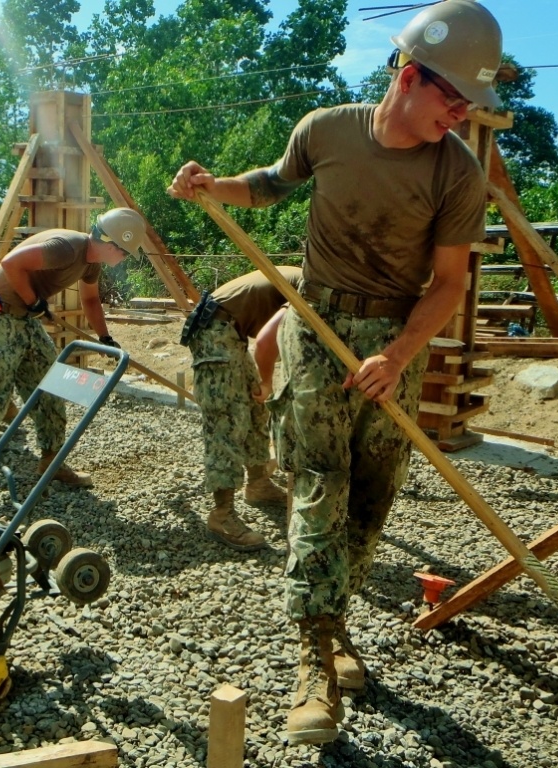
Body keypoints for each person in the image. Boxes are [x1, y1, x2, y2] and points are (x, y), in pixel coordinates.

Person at [167, 0, 502, 746]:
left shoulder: (458, 170)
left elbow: (447, 285)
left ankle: (338, 622)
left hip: (393, 342)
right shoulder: (326, 130)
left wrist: (399, 355)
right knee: (318, 487)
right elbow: (268, 184)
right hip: (316, 332)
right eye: (452, 98)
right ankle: (313, 661)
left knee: (370, 503)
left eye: (469, 103)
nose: (461, 113)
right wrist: (211, 185)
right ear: (410, 76)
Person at [0, 208, 140, 497]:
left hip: (24, 318)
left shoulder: (91, 262)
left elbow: (91, 300)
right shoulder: (67, 248)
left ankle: (51, 460)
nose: (125, 259)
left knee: (51, 386)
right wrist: (34, 301)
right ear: (112, 245)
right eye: (126, 253)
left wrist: (104, 337)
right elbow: (10, 263)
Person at [180, 266, 302, 552]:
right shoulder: (312, 286)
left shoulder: (308, 277)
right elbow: (268, 339)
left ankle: (258, 484)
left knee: (254, 408)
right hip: (216, 332)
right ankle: (222, 516)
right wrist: (268, 381)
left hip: (229, 332)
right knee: (227, 422)